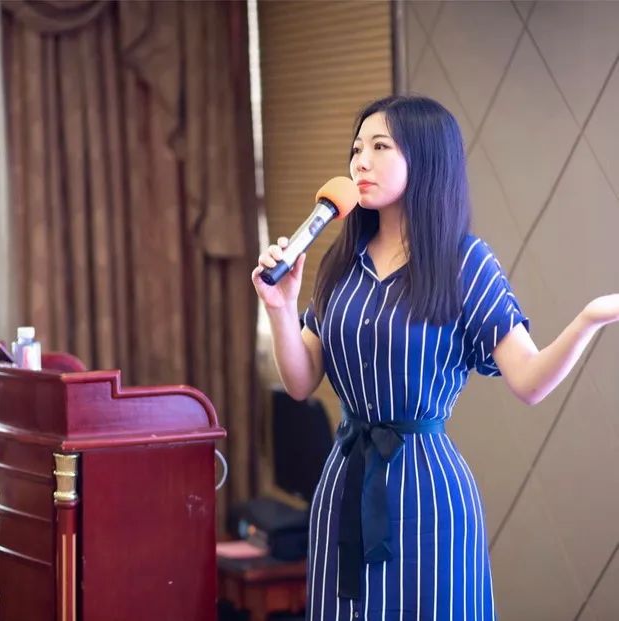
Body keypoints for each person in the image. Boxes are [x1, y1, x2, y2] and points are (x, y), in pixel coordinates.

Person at [251, 95, 619, 621]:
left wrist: (588, 319)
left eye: (380, 147)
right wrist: (280, 307)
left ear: (425, 159)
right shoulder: (341, 261)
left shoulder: (465, 262)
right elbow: (300, 380)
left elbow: (529, 381)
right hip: (343, 486)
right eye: (356, 149)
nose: (361, 162)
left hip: (427, 495)